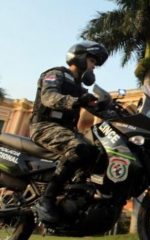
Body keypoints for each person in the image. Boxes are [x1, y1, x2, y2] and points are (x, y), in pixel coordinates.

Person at [29, 41, 108, 223]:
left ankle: (75, 195)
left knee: (98, 152)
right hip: (44, 127)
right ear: (79, 58)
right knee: (78, 149)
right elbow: (49, 98)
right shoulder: (56, 74)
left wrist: (109, 109)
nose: (93, 66)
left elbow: (92, 106)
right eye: (92, 61)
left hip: (65, 130)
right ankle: (46, 199)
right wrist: (76, 101)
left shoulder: (80, 88)